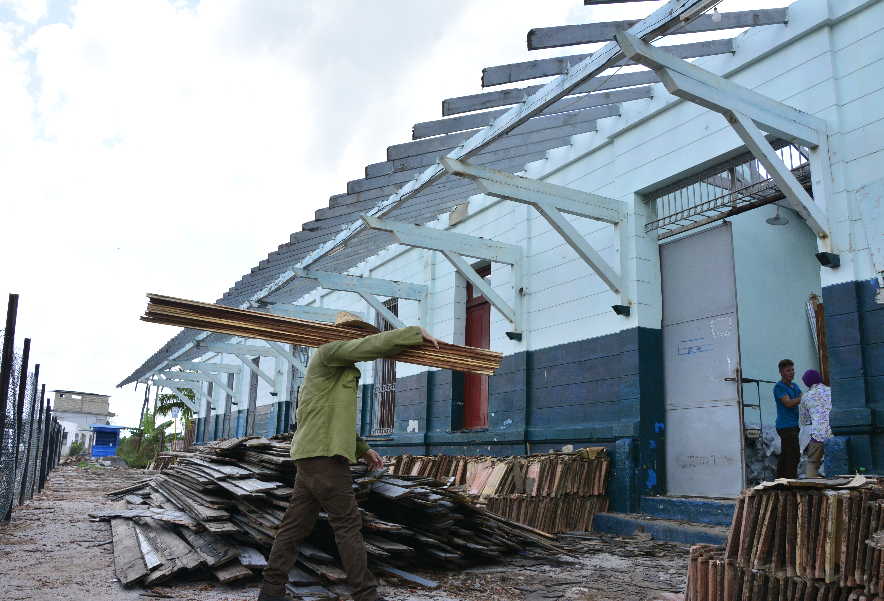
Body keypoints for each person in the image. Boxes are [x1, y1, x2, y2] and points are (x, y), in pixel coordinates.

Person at [258, 313, 440, 601]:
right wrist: (414, 333)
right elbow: (369, 346)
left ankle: (270, 592)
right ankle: (366, 595)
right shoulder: (328, 353)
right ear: (342, 333)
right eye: (355, 334)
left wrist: (363, 448)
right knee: (347, 525)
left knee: (295, 526)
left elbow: (332, 419)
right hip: (323, 458)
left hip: (312, 456)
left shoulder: (339, 371)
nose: (357, 339)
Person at [799, 369, 832, 478]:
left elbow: (805, 421)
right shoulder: (831, 391)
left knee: (812, 462)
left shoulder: (806, 396)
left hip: (818, 434)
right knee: (835, 462)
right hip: (835, 433)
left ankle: (811, 486)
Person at [773, 358, 802, 479]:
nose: (792, 372)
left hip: (794, 424)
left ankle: (780, 480)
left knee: (787, 454)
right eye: (788, 370)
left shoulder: (794, 386)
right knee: (793, 455)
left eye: (793, 370)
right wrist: (804, 398)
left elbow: (801, 397)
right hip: (785, 426)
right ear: (781, 372)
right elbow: (788, 403)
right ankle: (790, 480)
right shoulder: (779, 387)